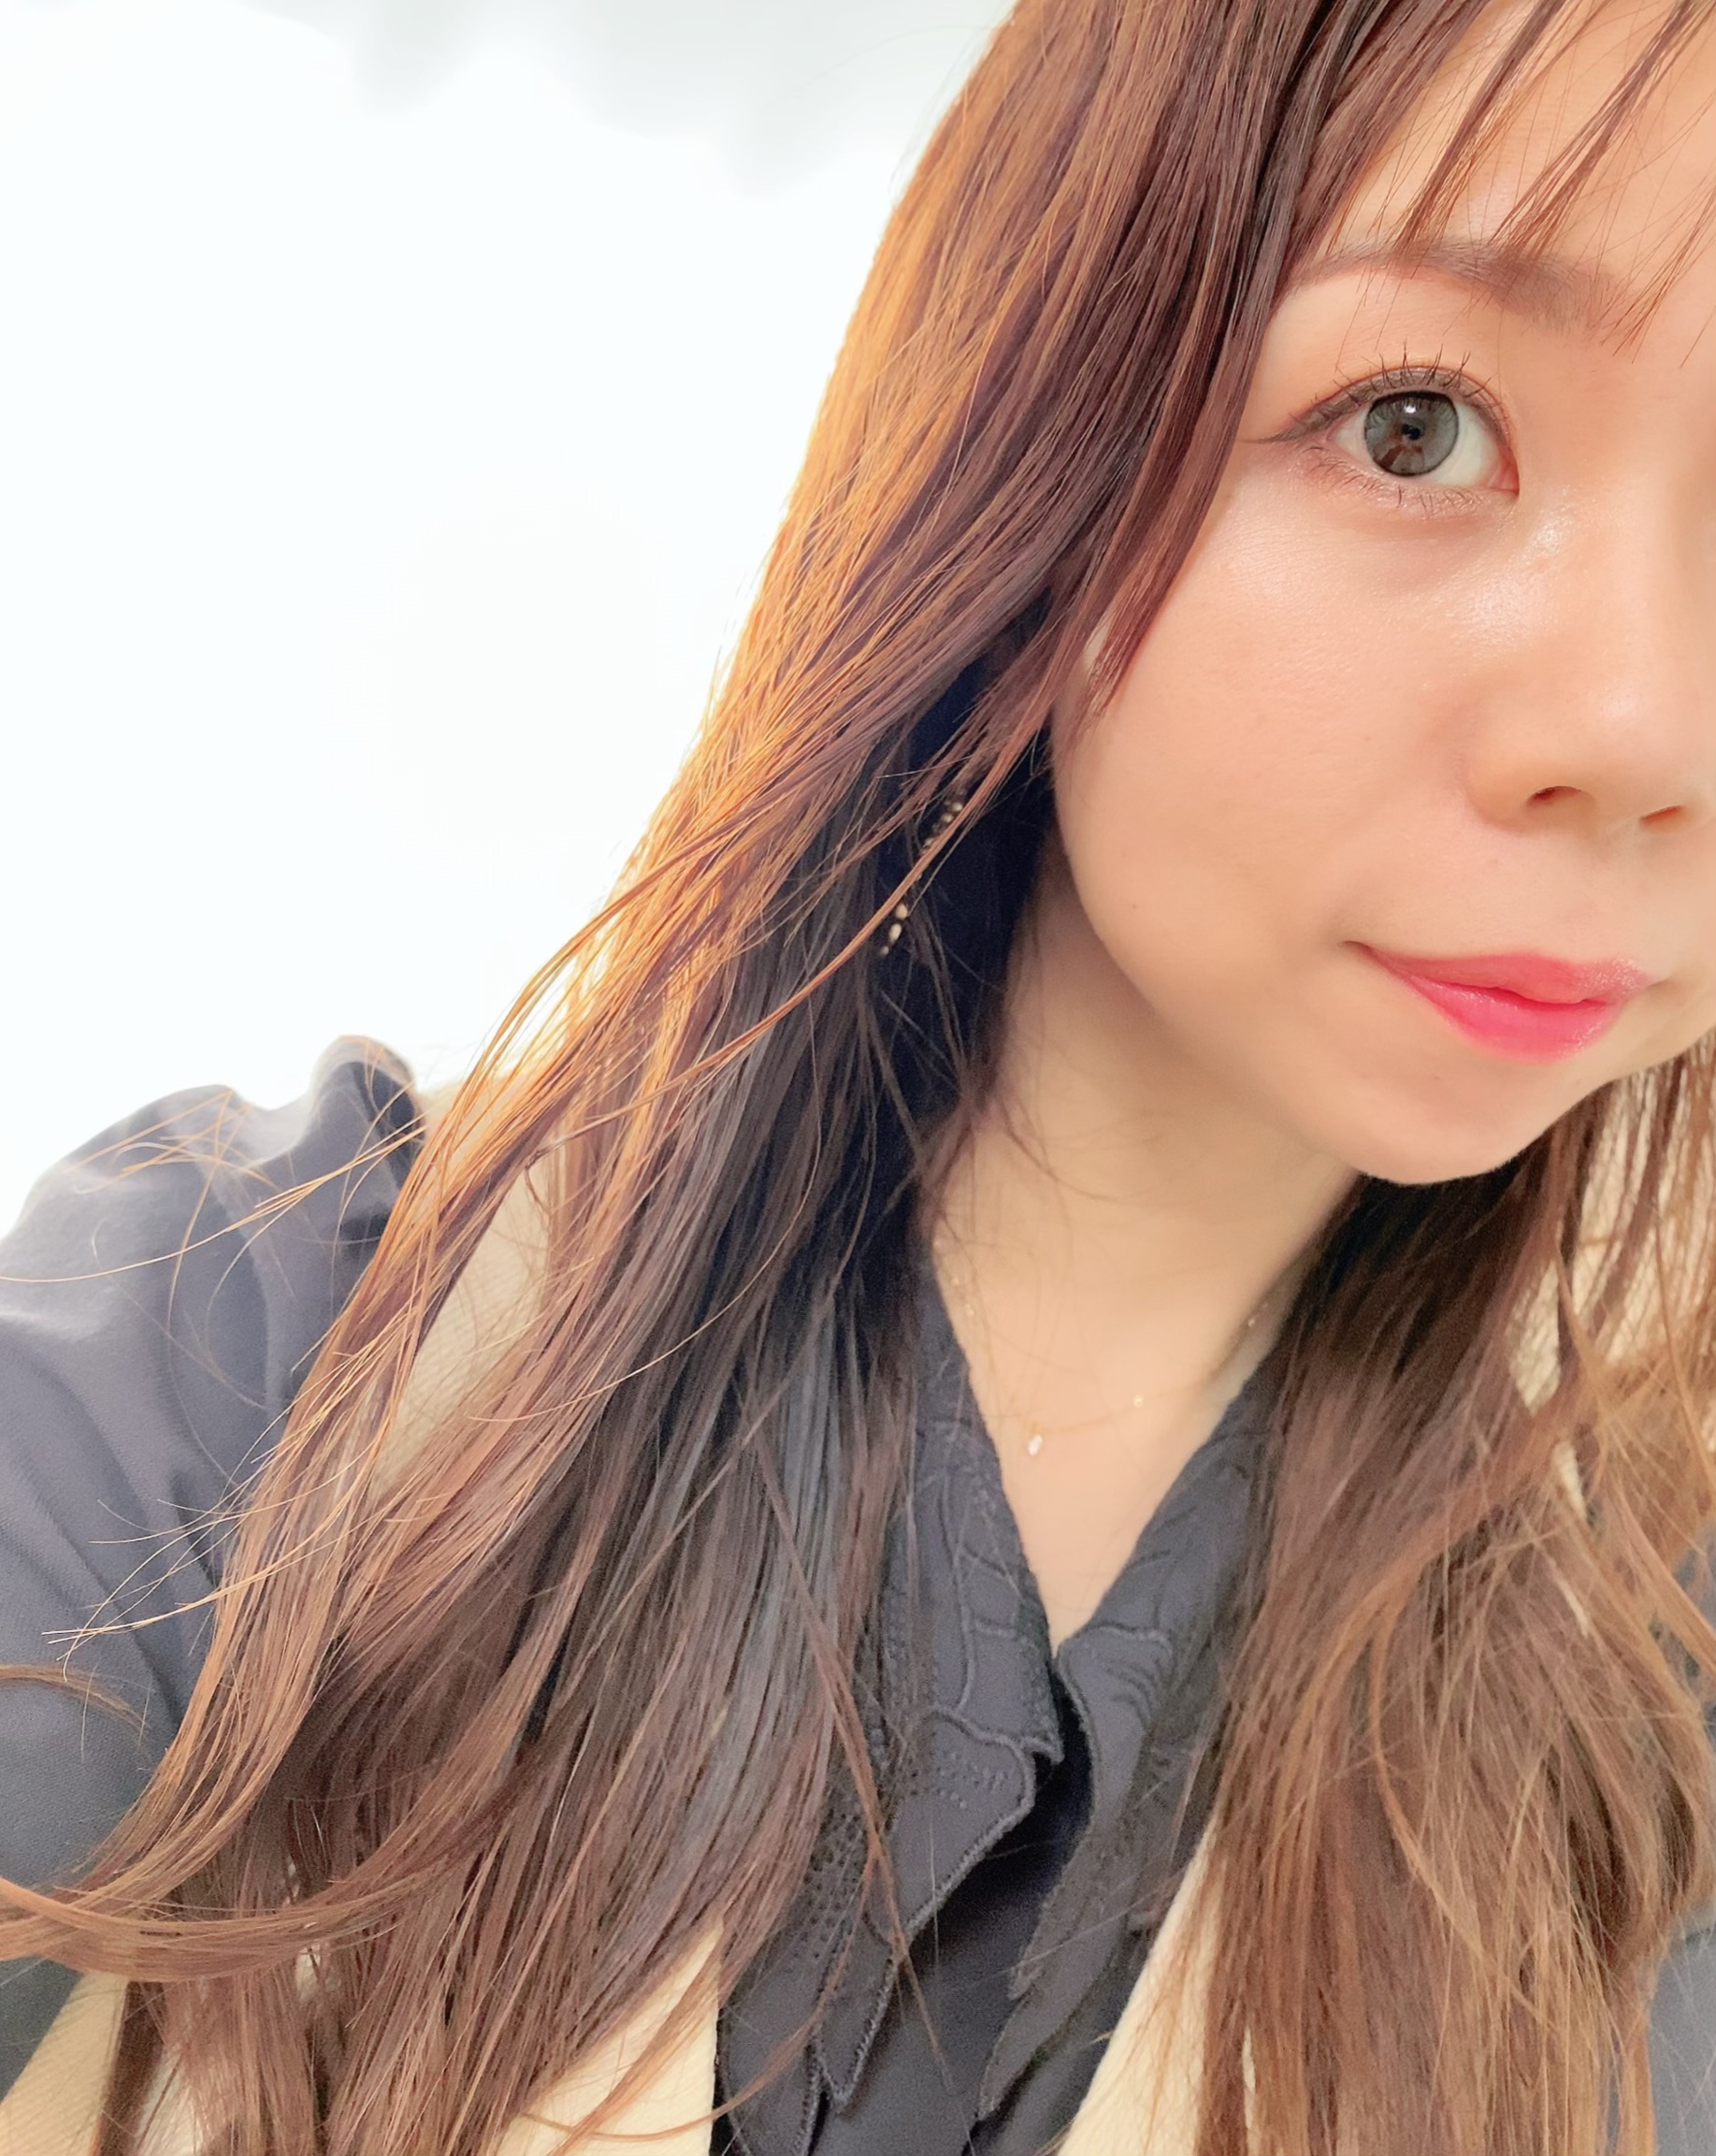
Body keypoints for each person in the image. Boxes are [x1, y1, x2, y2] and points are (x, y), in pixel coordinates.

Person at [7, 0, 1716, 2149]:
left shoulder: (1655, 1711)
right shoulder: (249, 1350)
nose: (1646, 732)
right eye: (1412, 426)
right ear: (1044, 421)